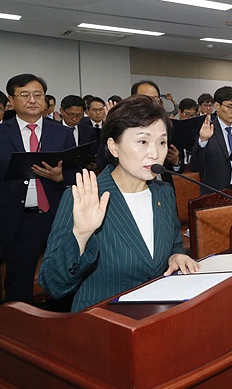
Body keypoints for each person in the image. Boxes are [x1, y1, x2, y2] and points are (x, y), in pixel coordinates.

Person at [39, 95, 200, 312]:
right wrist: (81, 236)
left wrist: (176, 256)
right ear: (114, 147)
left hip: (157, 317)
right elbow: (53, 285)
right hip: (103, 325)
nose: (155, 153)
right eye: (142, 141)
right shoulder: (86, 196)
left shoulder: (163, 192)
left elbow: (174, 244)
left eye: (161, 142)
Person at [0, 73, 77, 304]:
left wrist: (61, 176)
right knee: (19, 284)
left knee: (64, 277)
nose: (32, 100)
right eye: (24, 95)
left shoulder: (62, 133)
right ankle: (19, 334)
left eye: (38, 95)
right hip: (19, 220)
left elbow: (76, 173)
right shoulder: (2, 134)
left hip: (57, 217)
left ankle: (60, 324)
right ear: (12, 101)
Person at [190, 86, 232, 194]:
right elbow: (195, 166)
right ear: (217, 106)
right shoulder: (206, 129)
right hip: (217, 191)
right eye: (230, 107)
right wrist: (203, 141)